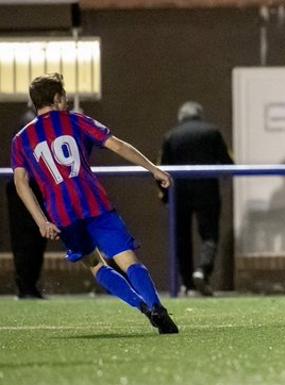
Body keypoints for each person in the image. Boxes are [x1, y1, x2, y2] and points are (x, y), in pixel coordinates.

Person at [11, 73, 178, 334]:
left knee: (96, 265)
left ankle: (142, 307)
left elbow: (21, 183)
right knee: (128, 260)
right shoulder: (75, 121)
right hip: (94, 203)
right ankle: (156, 306)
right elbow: (117, 146)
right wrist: (152, 168)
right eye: (63, 96)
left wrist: (41, 220)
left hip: (62, 214)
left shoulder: (20, 139)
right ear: (57, 98)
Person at [159, 101, 234, 296]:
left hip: (179, 193)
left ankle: (187, 284)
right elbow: (227, 163)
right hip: (207, 190)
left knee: (181, 238)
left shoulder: (171, 136)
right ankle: (202, 270)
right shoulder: (212, 132)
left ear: (181, 117)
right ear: (199, 115)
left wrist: (165, 195)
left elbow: (161, 169)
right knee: (209, 234)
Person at [7, 107, 47, 299]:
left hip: (34, 187)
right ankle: (26, 286)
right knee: (27, 240)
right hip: (28, 188)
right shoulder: (32, 126)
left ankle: (28, 286)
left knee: (35, 239)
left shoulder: (34, 124)